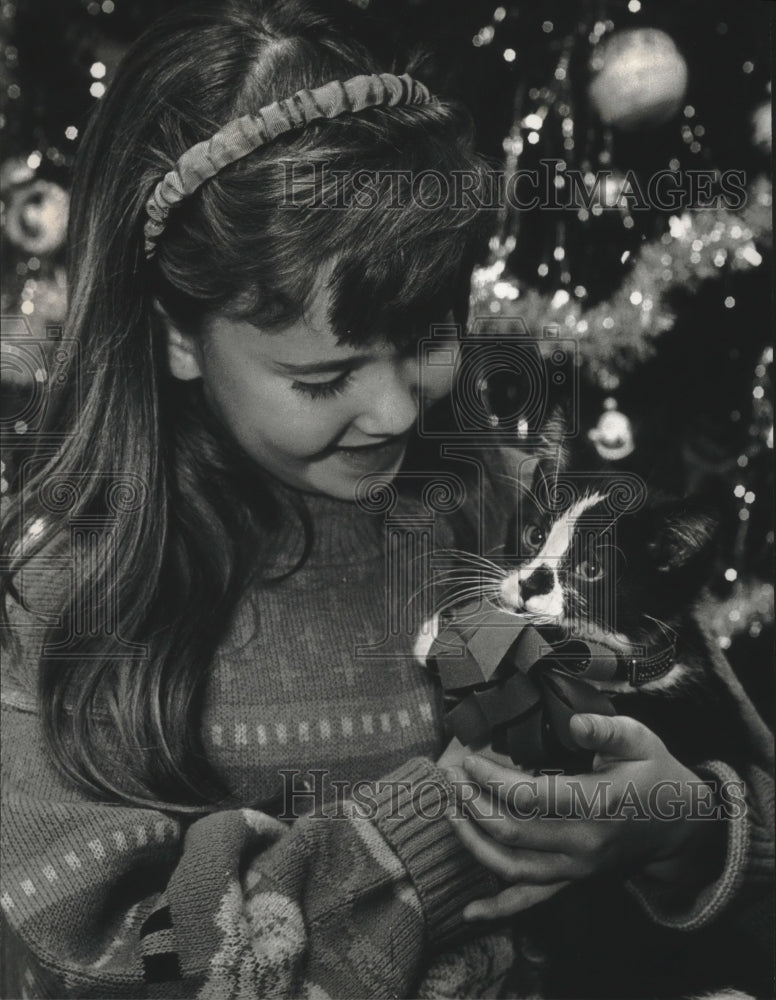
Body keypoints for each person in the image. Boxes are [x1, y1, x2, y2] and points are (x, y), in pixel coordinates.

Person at [0, 1, 772, 998]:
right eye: (323, 378)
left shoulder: (514, 512)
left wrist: (679, 831)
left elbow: (742, 814)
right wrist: (433, 839)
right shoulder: (60, 597)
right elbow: (110, 964)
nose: (398, 411)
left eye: (426, 340)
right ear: (177, 335)